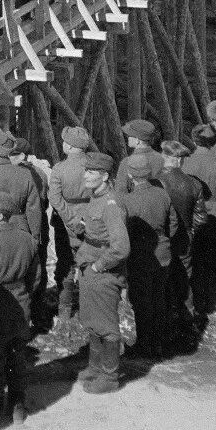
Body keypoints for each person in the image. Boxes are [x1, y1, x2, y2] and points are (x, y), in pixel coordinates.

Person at [0, 191, 39, 424]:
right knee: (17, 354)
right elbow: (36, 277)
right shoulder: (28, 239)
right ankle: (18, 406)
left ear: (0, 215)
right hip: (21, 302)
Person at [70, 151, 129, 394]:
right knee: (93, 322)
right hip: (88, 266)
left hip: (102, 271)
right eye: (86, 171)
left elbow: (121, 247)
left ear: (105, 176)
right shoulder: (96, 197)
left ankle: (110, 376)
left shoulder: (111, 205)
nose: (86, 175)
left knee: (107, 325)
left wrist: (97, 267)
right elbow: (96, 232)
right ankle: (95, 366)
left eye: (91, 172)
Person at [118, 151, 175, 360]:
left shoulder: (127, 200)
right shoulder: (163, 194)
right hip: (163, 251)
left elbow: (124, 233)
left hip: (140, 255)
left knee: (141, 301)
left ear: (131, 176)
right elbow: (173, 224)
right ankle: (158, 344)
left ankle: (143, 345)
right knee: (158, 298)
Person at [183, 123, 216, 324]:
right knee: (210, 263)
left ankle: (191, 303)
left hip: (192, 217)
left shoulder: (186, 164)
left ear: (194, 140)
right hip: (215, 219)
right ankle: (210, 302)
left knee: (190, 260)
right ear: (215, 142)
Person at [48, 125, 92, 333]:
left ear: (70, 146)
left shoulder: (59, 169)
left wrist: (71, 220)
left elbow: (55, 199)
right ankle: (87, 312)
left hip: (65, 223)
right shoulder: (94, 166)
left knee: (65, 265)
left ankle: (64, 312)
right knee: (87, 264)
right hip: (90, 220)